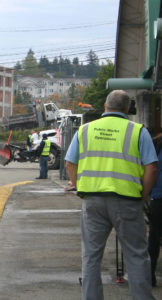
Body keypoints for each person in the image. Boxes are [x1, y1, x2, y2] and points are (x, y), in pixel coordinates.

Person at [65, 90, 158, 300]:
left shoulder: (85, 130)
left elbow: (70, 163)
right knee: (136, 255)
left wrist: (81, 187)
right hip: (128, 201)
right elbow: (151, 167)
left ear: (105, 106)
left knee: (91, 256)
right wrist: (143, 195)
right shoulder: (137, 131)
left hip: (93, 202)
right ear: (127, 109)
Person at [148, 133, 162, 287]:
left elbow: (150, 168)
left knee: (154, 236)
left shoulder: (156, 143)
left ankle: (150, 274)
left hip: (158, 197)